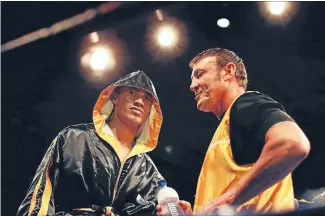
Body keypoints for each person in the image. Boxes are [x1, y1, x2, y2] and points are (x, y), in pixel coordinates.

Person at [157, 48, 311, 215]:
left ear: (228, 72)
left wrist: (228, 200)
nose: (192, 85)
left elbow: (292, 144)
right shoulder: (227, 126)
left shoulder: (244, 105)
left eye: (200, 74)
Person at [17, 70, 165, 216]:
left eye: (147, 98)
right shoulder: (73, 139)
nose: (139, 102)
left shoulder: (149, 172)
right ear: (115, 97)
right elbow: (41, 196)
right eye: (133, 93)